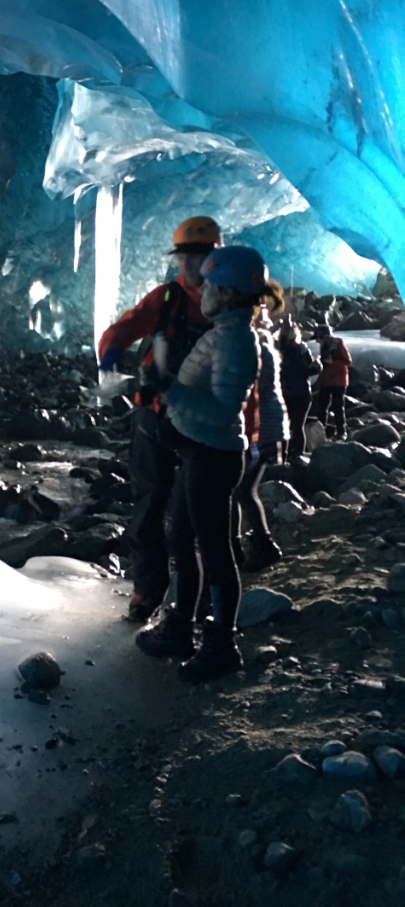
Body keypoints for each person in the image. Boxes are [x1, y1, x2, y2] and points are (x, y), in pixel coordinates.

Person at [135, 246, 282, 683]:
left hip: (213, 455)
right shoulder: (225, 334)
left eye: (211, 286)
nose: (203, 293)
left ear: (229, 292)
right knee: (180, 538)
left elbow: (222, 411)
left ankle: (222, 645)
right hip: (198, 451)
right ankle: (181, 628)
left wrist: (169, 390)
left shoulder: (237, 341)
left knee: (215, 550)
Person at [97, 216, 221, 622]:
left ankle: (198, 593)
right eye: (186, 256)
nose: (191, 264)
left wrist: (254, 431)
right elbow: (126, 326)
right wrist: (111, 350)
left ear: (214, 257)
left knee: (197, 511)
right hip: (154, 415)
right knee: (150, 503)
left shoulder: (228, 304)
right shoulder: (166, 299)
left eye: (199, 255)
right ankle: (149, 590)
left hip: (202, 422)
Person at [232, 302, 288, 573]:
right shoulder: (266, 348)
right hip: (271, 428)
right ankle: (257, 545)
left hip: (260, 429)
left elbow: (250, 391)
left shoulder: (257, 350)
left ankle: (242, 547)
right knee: (244, 490)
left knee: (236, 489)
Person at [277, 316, 320, 458]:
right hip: (301, 393)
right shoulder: (302, 348)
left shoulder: (277, 348)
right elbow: (310, 370)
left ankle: (283, 456)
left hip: (285, 393)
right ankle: (297, 456)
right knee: (297, 426)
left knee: (285, 427)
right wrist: (318, 366)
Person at [315, 323, 352, 440]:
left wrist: (333, 362)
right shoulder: (323, 345)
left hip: (339, 380)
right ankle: (322, 431)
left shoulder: (338, 344)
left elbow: (347, 361)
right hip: (327, 380)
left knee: (338, 407)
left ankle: (341, 432)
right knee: (322, 406)